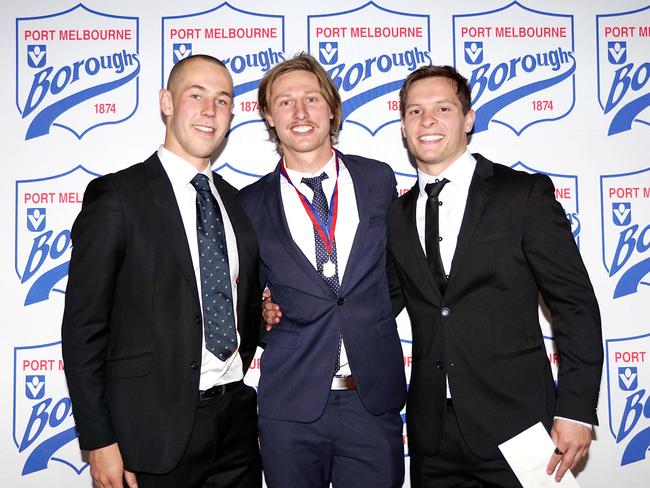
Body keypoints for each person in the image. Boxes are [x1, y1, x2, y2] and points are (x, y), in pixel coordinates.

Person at [387, 65, 603, 487]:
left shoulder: (521, 194)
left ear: (468, 119)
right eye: (415, 111)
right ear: (403, 125)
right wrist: (282, 309)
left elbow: (573, 304)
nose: (427, 120)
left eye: (442, 108)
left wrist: (575, 408)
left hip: (519, 427)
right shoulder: (395, 214)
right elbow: (376, 302)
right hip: (433, 436)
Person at [62, 54, 262, 488]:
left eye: (223, 100)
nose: (211, 111)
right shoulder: (117, 197)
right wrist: (99, 441)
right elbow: (83, 330)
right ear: (166, 102)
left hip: (237, 430)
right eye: (197, 95)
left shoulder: (235, 203)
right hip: (150, 436)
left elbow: (238, 300)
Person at [237, 53, 406, 488]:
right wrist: (258, 310)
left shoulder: (378, 180)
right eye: (285, 102)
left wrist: (373, 313)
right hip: (290, 407)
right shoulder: (248, 204)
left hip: (372, 400)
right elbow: (236, 293)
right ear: (268, 117)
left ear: (332, 108)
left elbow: (398, 273)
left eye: (311, 98)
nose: (300, 112)